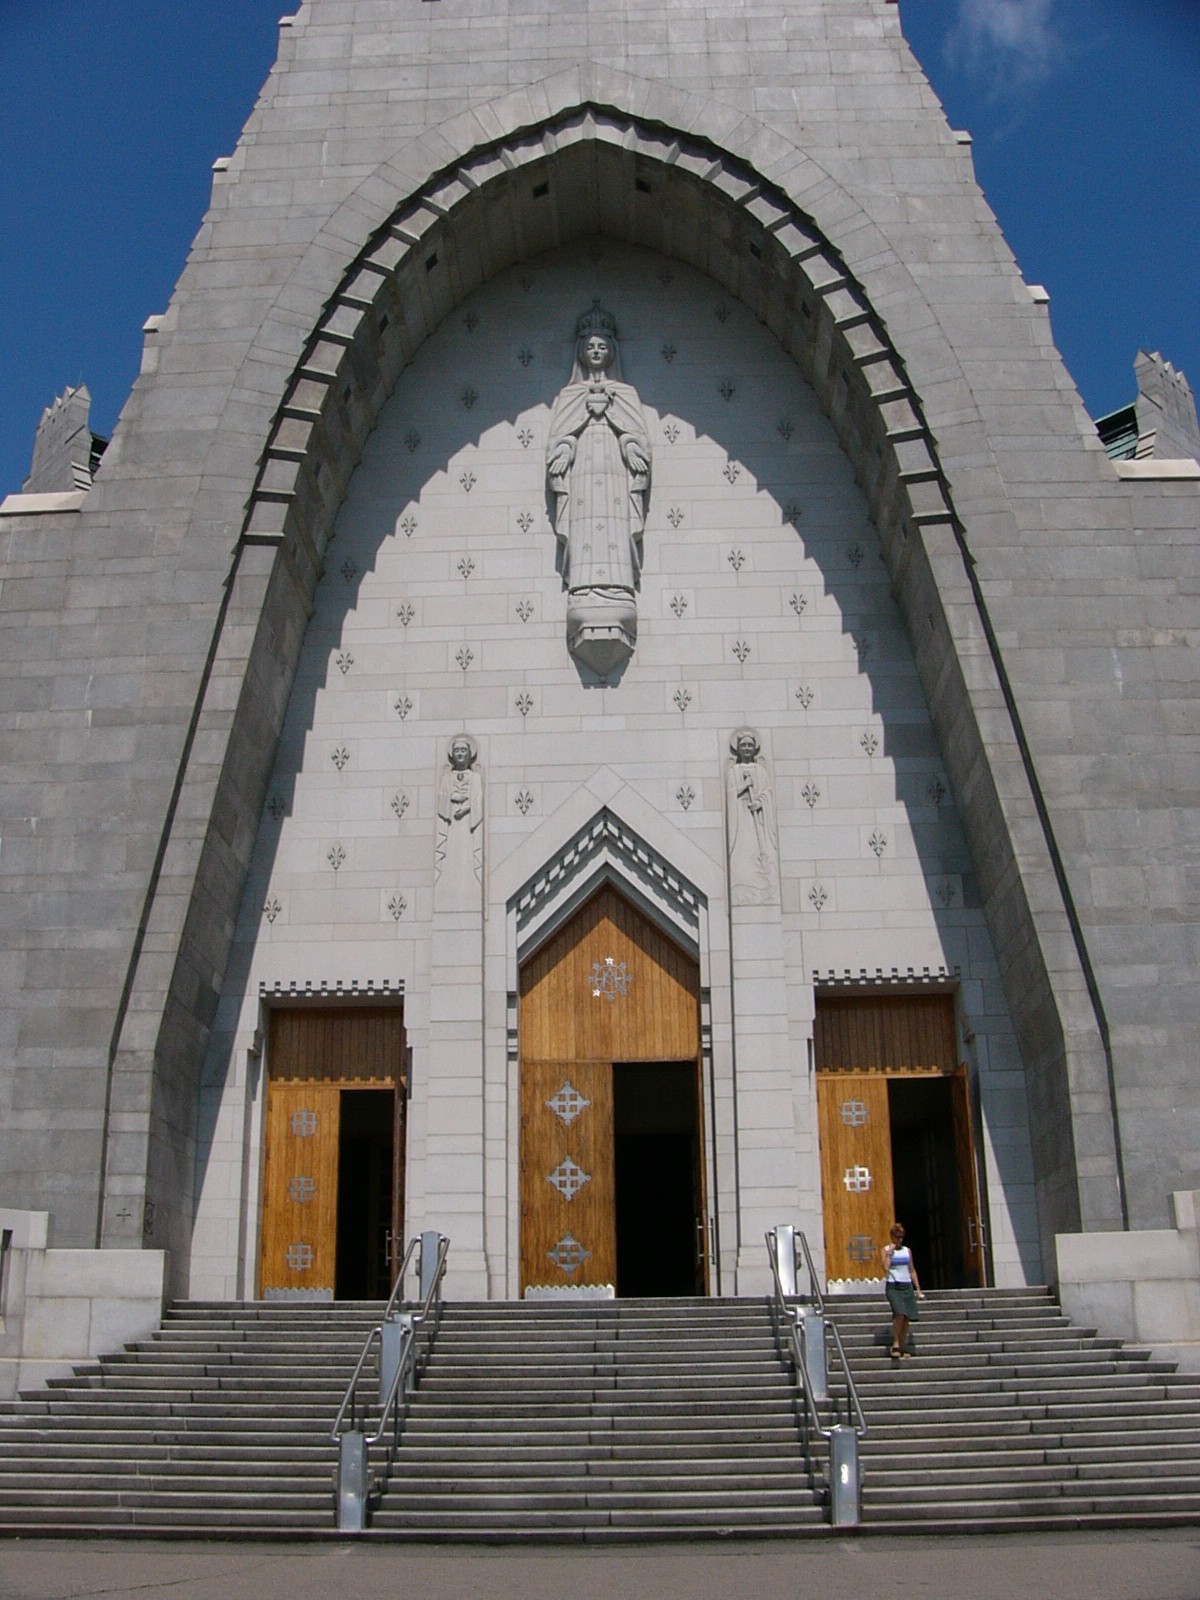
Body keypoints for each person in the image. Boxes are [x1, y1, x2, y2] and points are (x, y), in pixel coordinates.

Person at [882, 1223, 924, 1359]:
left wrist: (917, 1289)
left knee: (907, 1317)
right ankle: (895, 1343)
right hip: (893, 1285)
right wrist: (889, 1253)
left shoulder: (907, 1251)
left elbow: (911, 1270)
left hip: (906, 1285)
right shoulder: (886, 1249)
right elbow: (885, 1267)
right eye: (897, 1237)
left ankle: (903, 1344)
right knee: (899, 1313)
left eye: (901, 1237)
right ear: (892, 1237)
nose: (900, 1240)